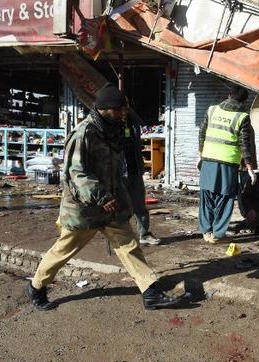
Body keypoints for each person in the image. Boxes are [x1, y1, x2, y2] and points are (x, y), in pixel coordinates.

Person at [26, 83, 182, 311]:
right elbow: (75, 173)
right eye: (119, 109)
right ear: (105, 108)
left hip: (110, 205)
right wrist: (100, 195)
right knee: (63, 250)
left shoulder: (112, 129)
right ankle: (36, 286)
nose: (123, 113)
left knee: (129, 244)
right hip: (84, 208)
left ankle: (150, 292)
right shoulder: (83, 133)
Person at [197, 85, 255, 243]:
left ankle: (206, 231)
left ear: (229, 95)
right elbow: (245, 144)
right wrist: (249, 167)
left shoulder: (212, 109)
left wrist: (200, 155)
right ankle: (216, 234)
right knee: (225, 197)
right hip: (228, 163)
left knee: (207, 195)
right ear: (244, 100)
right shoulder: (243, 116)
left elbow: (202, 132)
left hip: (208, 159)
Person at [122, 106, 160, 245]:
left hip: (135, 170)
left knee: (140, 206)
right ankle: (122, 237)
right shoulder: (110, 125)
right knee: (122, 208)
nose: (124, 111)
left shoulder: (133, 123)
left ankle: (144, 234)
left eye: (126, 108)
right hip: (120, 172)